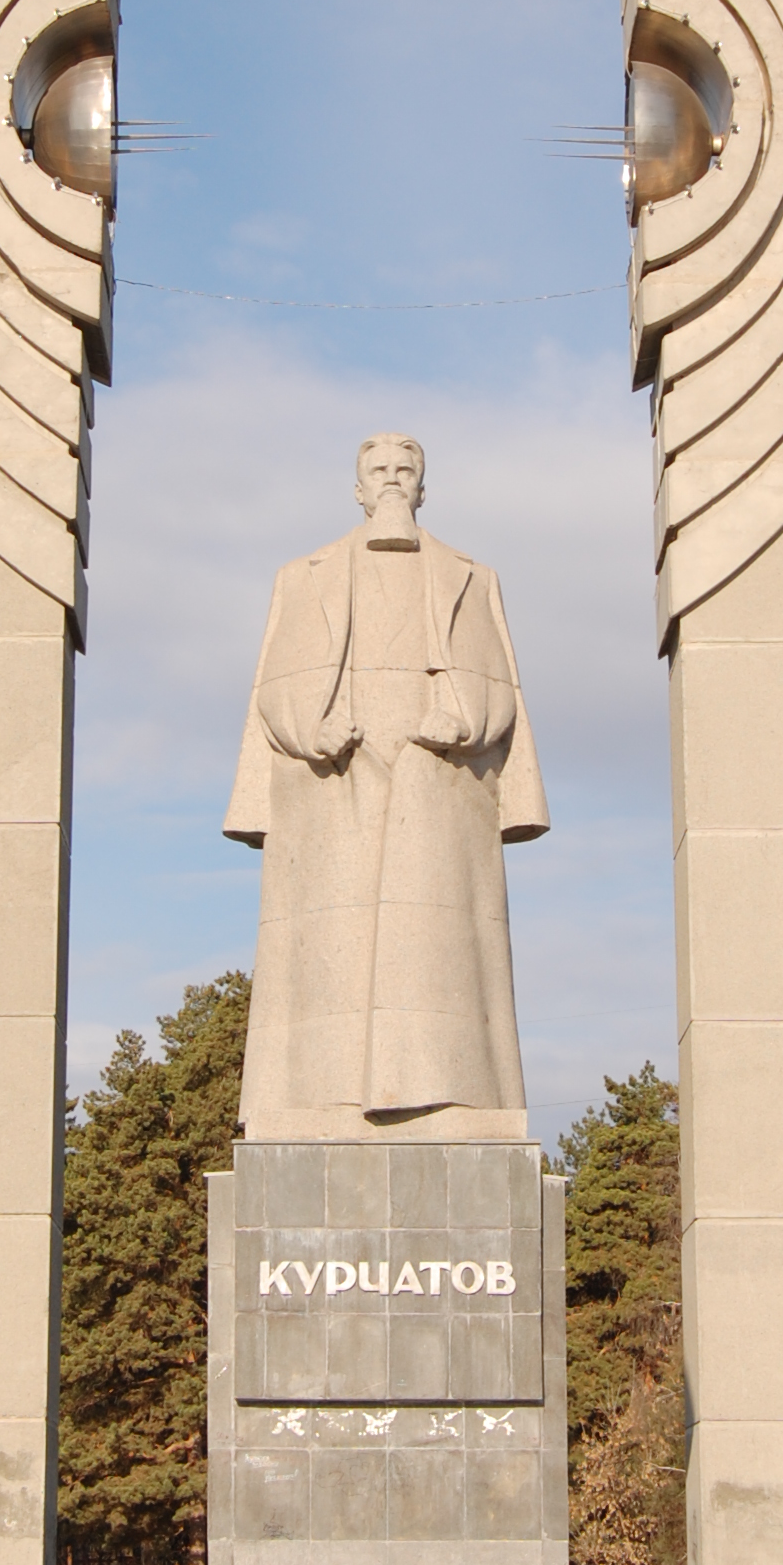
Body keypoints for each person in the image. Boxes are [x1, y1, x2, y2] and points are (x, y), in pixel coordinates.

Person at [225, 435, 547, 1135]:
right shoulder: (303, 574)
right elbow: (274, 684)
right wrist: (312, 726)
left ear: (423, 489)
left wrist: (461, 716)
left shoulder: (471, 575)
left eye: (407, 471)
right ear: (359, 490)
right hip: (333, 782)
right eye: (379, 471)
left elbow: (500, 685)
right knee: (328, 963)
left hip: (438, 781)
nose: (393, 481)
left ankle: (451, 1097)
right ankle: (323, 1099)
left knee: (440, 955)